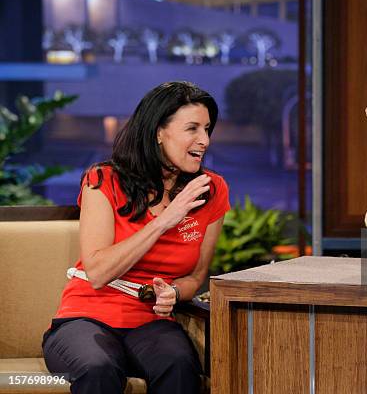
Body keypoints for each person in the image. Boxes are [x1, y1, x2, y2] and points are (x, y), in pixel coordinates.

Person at [42, 81, 230, 393]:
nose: (204, 140)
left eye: (207, 129)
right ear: (158, 132)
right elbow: (98, 272)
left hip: (150, 323)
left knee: (179, 366)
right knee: (98, 368)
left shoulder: (210, 190)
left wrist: (172, 291)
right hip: (86, 317)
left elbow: (196, 276)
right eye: (193, 129)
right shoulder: (103, 180)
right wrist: (164, 221)